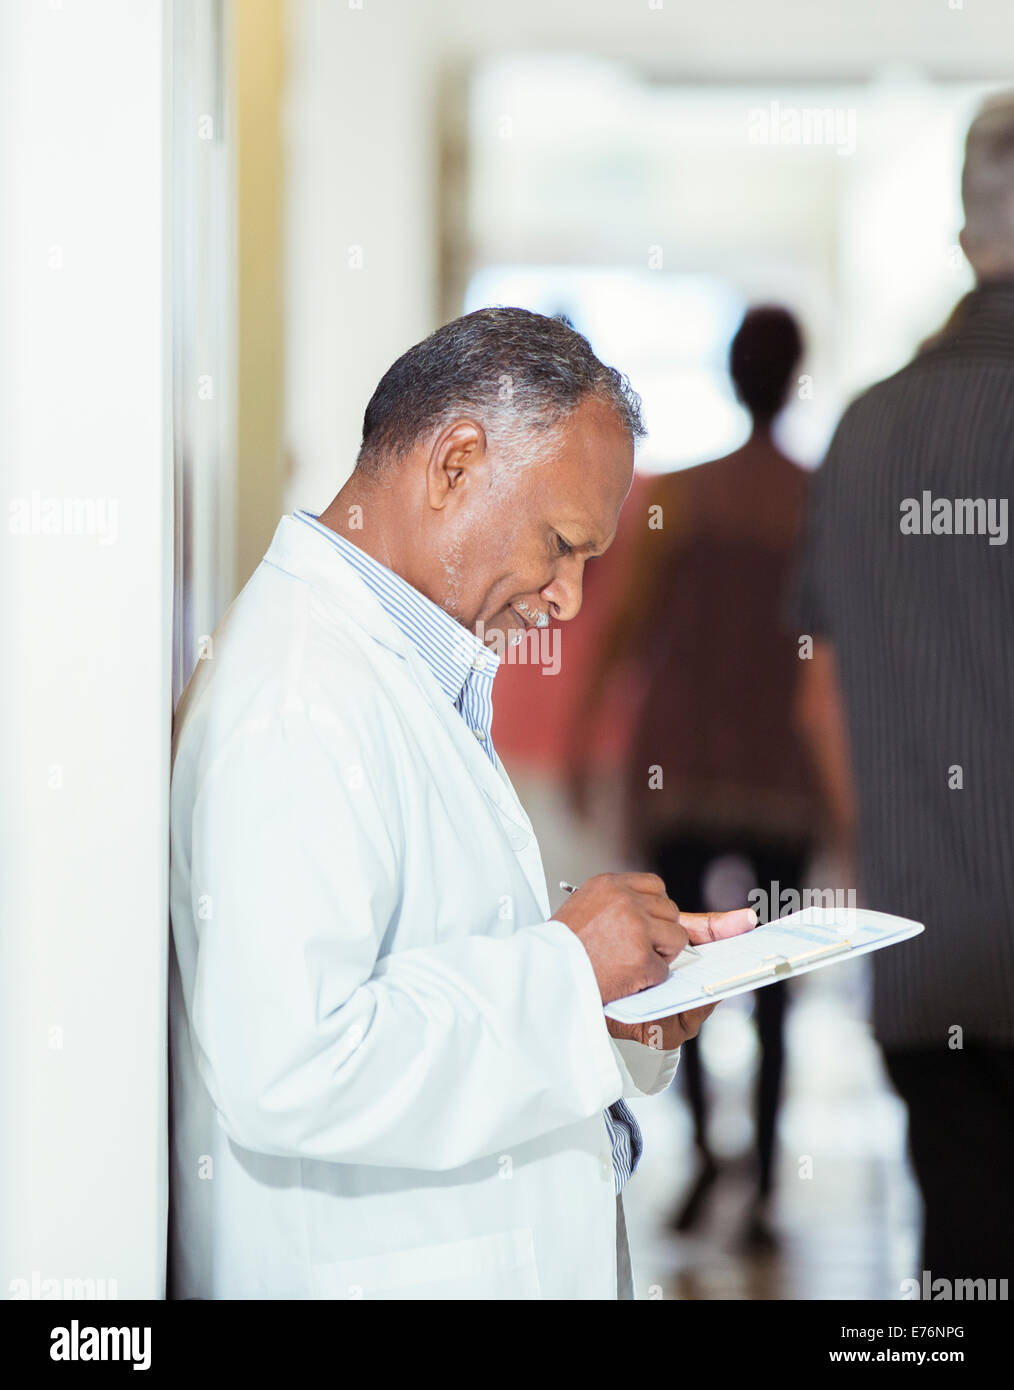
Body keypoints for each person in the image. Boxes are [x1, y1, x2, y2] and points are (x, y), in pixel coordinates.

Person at [167, 307, 757, 1300]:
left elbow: (436, 975)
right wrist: (573, 974)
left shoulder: (396, 663)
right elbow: (291, 1066)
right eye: (561, 544)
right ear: (455, 464)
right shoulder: (298, 694)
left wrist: (615, 1004)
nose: (568, 599)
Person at [793, 93, 1014, 1287]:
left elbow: (817, 693)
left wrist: (885, 844)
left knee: (964, 1250)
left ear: (963, 234)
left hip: (926, 945)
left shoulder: (868, 432)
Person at [569, 307, 830, 1246]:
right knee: (778, 985)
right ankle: (761, 1184)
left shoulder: (680, 495)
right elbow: (835, 658)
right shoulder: (817, 497)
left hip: (679, 766)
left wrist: (581, 740)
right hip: (780, 775)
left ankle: (709, 1157)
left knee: (669, 970)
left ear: (730, 372)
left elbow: (632, 633)